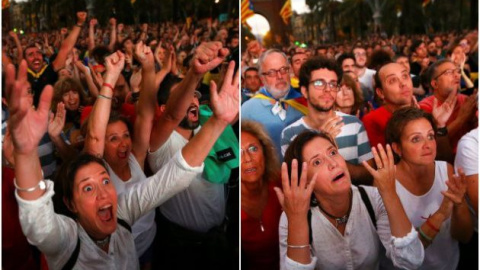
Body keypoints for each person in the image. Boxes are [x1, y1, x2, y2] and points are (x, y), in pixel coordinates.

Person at [276, 130, 424, 269]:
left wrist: (390, 194)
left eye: (333, 153)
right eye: (317, 162)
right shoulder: (293, 217)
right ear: (305, 181)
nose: (333, 163)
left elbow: (412, 260)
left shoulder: (373, 198)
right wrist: (297, 222)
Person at [385, 107, 473, 269]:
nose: (428, 145)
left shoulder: (445, 170)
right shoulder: (385, 184)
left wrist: (460, 204)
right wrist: (440, 214)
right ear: (397, 148)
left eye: (430, 136)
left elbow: (464, 237)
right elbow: (401, 258)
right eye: (416, 139)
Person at [281, 56, 374, 185]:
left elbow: (368, 175)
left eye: (332, 84)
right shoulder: (290, 134)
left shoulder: (354, 125)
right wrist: (322, 142)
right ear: (304, 91)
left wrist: (334, 157)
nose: (328, 89)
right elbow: (295, 184)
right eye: (319, 83)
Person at [242, 49, 307, 158]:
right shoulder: (248, 109)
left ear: (289, 71)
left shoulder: (306, 102)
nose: (279, 76)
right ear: (262, 77)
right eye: (271, 73)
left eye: (283, 70)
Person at [241, 120, 282, 270]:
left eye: (253, 148)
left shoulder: (282, 182)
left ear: (265, 153)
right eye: (239, 152)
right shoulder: (228, 205)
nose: (248, 159)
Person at [26, 12, 86, 107]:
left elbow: (64, 50)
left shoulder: (47, 73)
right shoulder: (19, 77)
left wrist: (79, 24)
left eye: (38, 53)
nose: (36, 57)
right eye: (30, 54)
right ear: (24, 61)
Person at [419, 59, 477, 152]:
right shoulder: (424, 107)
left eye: (457, 71)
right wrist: (461, 119)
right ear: (435, 84)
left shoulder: (466, 100)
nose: (457, 75)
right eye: (449, 72)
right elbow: (432, 143)